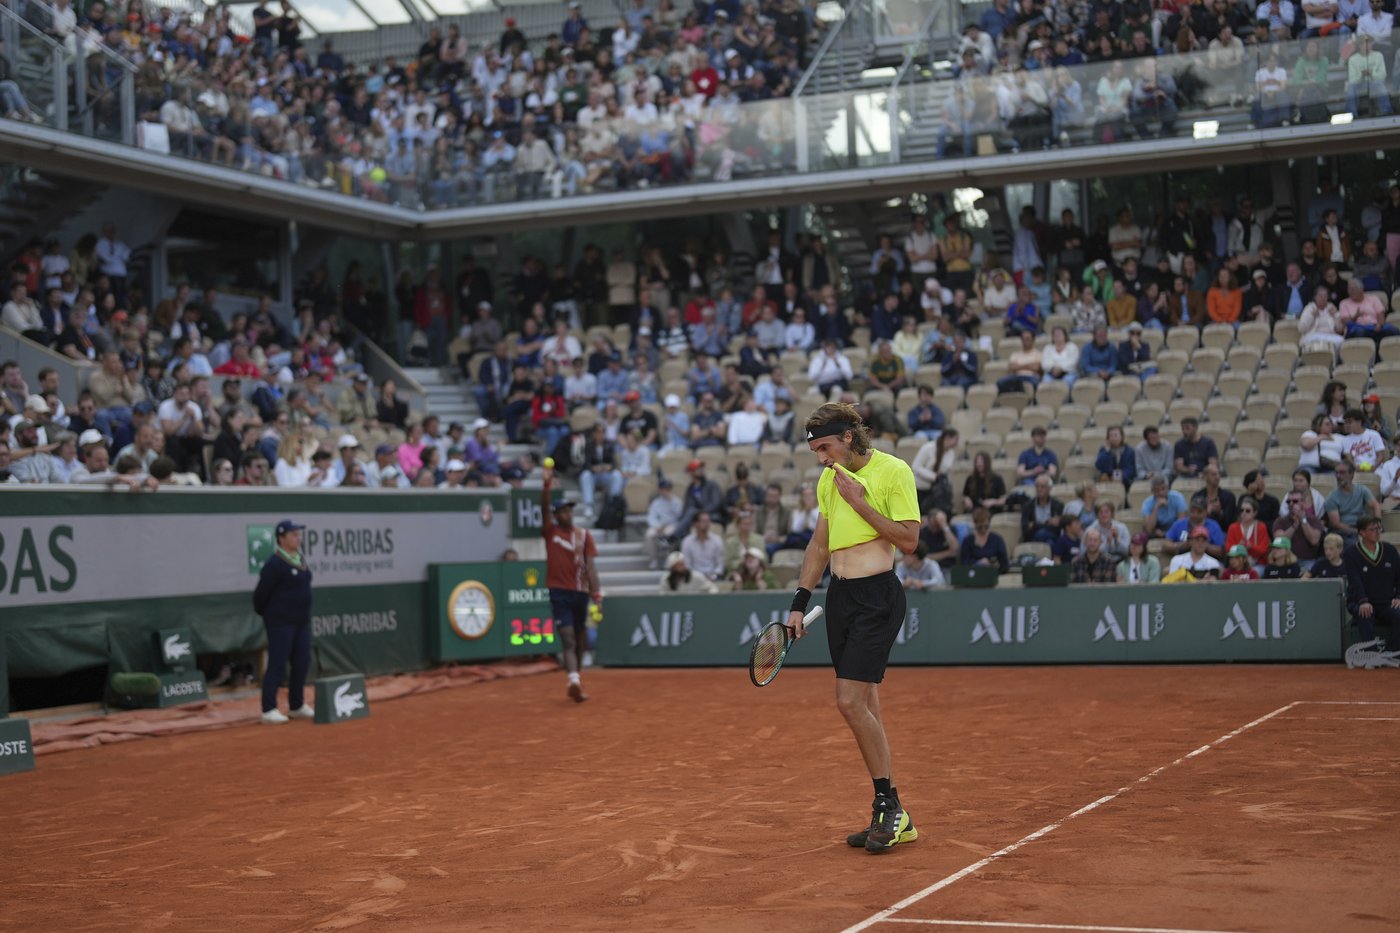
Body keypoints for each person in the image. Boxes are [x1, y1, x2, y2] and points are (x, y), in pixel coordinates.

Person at [785, 402, 921, 854]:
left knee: (848, 702)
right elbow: (819, 545)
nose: (821, 458)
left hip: (878, 598)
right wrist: (798, 604)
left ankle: (891, 804)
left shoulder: (892, 471)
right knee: (867, 704)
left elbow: (909, 540)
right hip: (840, 599)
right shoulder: (828, 479)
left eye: (825, 447)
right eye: (815, 451)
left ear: (848, 437)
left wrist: (859, 503)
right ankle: (891, 812)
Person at [541, 467, 602, 703]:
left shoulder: (584, 536)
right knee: (567, 637)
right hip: (558, 592)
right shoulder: (550, 532)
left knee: (580, 639)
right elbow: (542, 507)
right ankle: (573, 680)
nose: (568, 514)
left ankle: (577, 677)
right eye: (563, 511)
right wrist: (546, 485)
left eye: (569, 510)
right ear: (557, 515)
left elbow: (591, 567)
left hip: (580, 592)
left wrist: (596, 594)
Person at [251, 520, 316, 724]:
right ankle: (268, 709)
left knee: (302, 662)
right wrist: (273, 615)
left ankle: (296, 705)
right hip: (281, 623)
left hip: (301, 622)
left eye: (299, 534)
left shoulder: (299, 558)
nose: (298, 538)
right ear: (281, 538)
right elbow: (260, 596)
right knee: (277, 664)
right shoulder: (274, 564)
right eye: (293, 534)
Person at [1343, 516, 1400, 650]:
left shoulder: (1390, 550)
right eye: (1373, 529)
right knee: (1365, 613)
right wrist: (1363, 601)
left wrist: (1398, 596)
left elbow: (1399, 577)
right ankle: (1371, 654)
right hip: (1360, 601)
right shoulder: (1350, 553)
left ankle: (1392, 653)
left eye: (1379, 528)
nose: (1378, 532)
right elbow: (1355, 580)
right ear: (1362, 532)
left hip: (1386, 602)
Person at [1225, 496, 1271, 569]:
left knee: (1254, 574)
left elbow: (1264, 550)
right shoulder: (1233, 527)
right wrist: (1239, 548)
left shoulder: (1261, 527)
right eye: (1242, 510)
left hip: (1257, 564)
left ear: (1255, 513)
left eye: (1248, 511)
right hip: (1236, 565)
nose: (1244, 513)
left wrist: (1251, 547)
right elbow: (1228, 548)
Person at [959, 507, 1010, 572]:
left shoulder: (997, 539)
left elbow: (1004, 563)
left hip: (993, 574)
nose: (983, 529)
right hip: (973, 575)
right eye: (980, 527)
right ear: (975, 524)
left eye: (986, 526)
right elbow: (964, 563)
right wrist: (978, 563)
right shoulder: (968, 541)